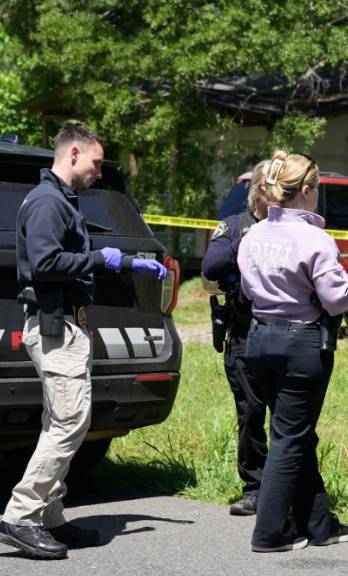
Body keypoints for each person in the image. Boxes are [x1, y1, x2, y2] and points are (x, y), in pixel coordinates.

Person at [0, 125, 167, 560]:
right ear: (73, 153)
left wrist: (127, 261)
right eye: (95, 162)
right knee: (70, 423)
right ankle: (20, 516)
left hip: (70, 327)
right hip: (54, 327)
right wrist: (99, 258)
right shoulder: (46, 202)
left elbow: (71, 254)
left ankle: (50, 515)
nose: (97, 173)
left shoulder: (61, 202)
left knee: (61, 422)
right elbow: (47, 262)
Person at [237, 150, 348, 553]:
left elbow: (248, 290)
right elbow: (338, 300)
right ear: (306, 190)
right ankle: (270, 531)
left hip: (258, 341)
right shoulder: (314, 239)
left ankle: (320, 524)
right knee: (289, 437)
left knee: (294, 432)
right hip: (301, 343)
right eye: (318, 188)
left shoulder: (253, 235)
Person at [201, 162, 271, 516]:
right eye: (272, 187)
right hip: (244, 331)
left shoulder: (287, 226)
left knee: (287, 415)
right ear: (259, 190)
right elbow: (210, 268)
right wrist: (244, 241)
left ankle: (286, 488)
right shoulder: (234, 225)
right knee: (251, 411)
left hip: (281, 332)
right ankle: (255, 486)